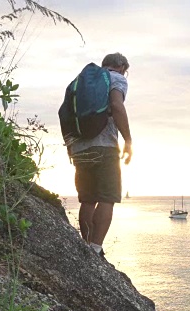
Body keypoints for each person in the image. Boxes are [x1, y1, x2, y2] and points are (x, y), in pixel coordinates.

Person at [69, 52, 132, 257]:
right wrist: (128, 140)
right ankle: (95, 249)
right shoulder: (117, 79)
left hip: (79, 147)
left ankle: (85, 245)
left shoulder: (79, 82)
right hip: (104, 146)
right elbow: (116, 105)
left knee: (88, 199)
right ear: (121, 67)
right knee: (107, 197)